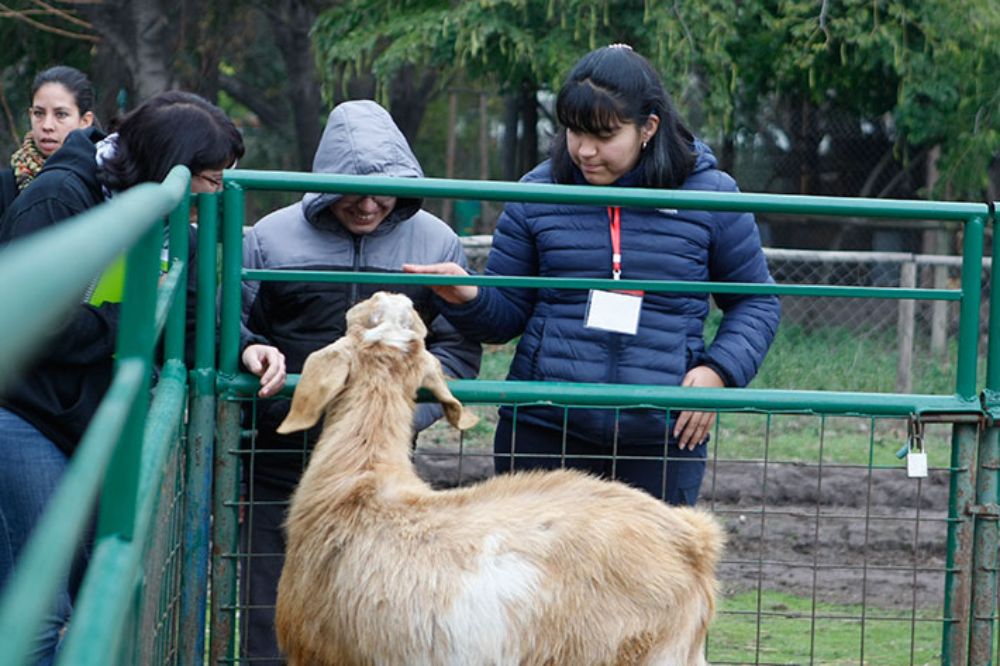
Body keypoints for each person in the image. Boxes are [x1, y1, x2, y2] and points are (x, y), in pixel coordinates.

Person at [406, 44, 780, 506]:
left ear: (648, 128)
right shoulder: (536, 194)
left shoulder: (713, 196)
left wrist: (718, 372)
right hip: (544, 430)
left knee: (646, 577)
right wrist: (466, 297)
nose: (584, 150)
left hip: (661, 435)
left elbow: (756, 302)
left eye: (604, 135)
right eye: (574, 132)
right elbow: (505, 317)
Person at [0, 91, 284, 665]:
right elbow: (33, 322)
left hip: (88, 415)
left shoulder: (166, 212)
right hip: (27, 412)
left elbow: (186, 311)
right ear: (168, 164)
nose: (212, 191)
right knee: (42, 607)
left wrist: (248, 349)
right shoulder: (59, 199)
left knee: (88, 594)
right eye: (207, 176)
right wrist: (126, 320)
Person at [239, 99, 482, 664]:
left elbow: (457, 348)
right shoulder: (272, 239)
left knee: (369, 613)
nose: (369, 205)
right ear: (324, 184)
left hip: (379, 474)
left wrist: (404, 416)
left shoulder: (435, 242)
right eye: (352, 192)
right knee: (267, 609)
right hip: (282, 455)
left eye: (383, 193)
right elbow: (241, 328)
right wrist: (252, 352)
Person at [1, 65, 96, 219]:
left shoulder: (102, 177)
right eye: (39, 113)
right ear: (30, 114)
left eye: (61, 114)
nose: (47, 126)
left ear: (85, 121)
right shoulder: (6, 186)